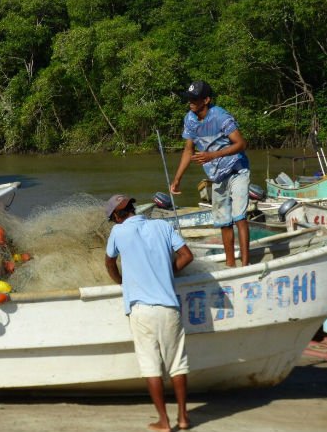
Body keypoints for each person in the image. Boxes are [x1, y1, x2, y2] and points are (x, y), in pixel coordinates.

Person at [104, 194, 194, 432]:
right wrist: (166, 272)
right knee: (177, 364)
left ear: (115, 216)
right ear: (133, 209)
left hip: (141, 310)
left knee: (151, 366)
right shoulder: (162, 225)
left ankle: (164, 421)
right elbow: (187, 256)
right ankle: (183, 418)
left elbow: (109, 263)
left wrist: (122, 282)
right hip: (169, 307)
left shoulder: (118, 232)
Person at [170, 80, 250, 267]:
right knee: (224, 221)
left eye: (194, 98)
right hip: (217, 176)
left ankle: (246, 265)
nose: (190, 101)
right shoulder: (189, 119)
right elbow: (188, 150)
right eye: (188, 98)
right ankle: (231, 264)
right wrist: (177, 179)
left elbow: (241, 144)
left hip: (237, 170)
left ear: (206, 100)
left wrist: (212, 155)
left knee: (239, 217)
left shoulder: (221, 117)